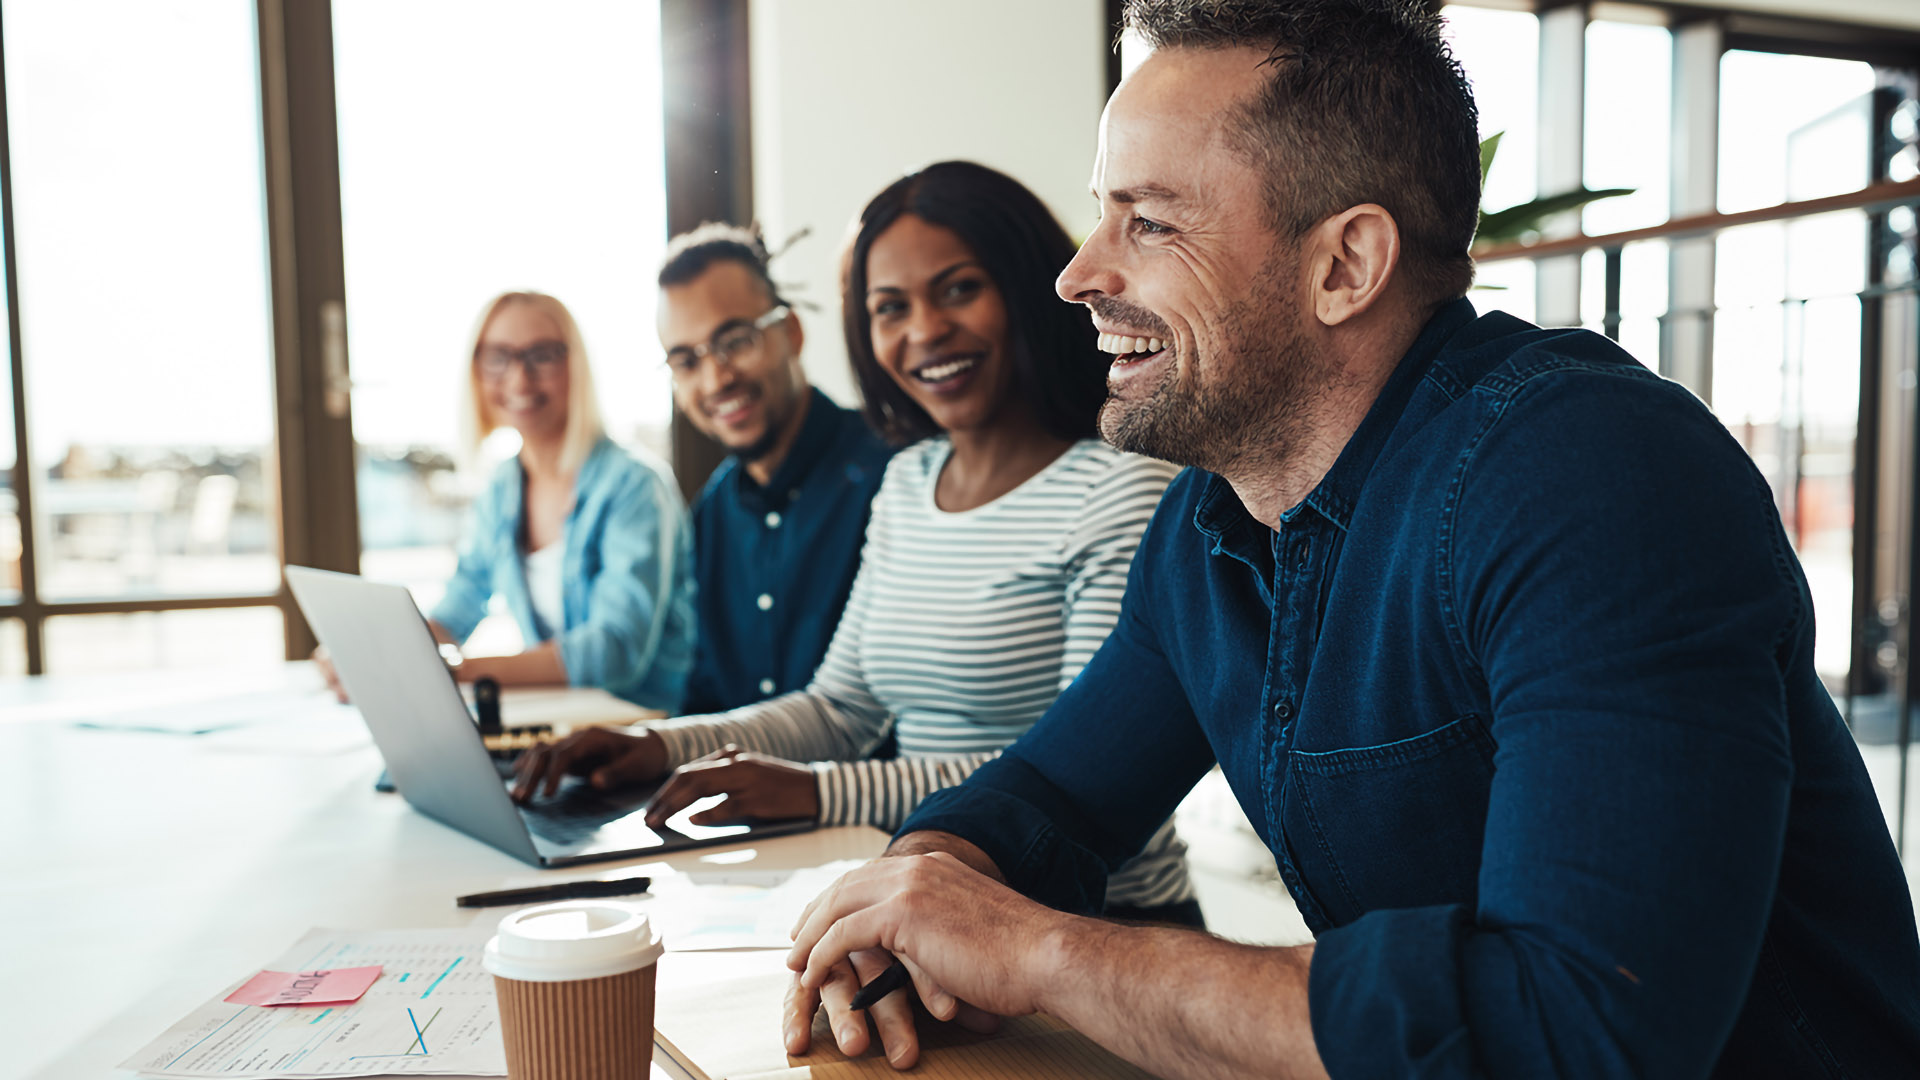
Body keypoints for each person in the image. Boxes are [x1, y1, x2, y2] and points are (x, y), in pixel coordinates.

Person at [780, 3, 1920, 1078]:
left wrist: (1040, 953)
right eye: (1100, 213)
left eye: (1150, 222)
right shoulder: (1212, 520)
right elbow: (1049, 799)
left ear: (1345, 266)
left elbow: (1577, 1030)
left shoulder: (1590, 476)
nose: (1080, 273)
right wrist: (914, 902)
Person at [512, 160, 1200, 963]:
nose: (923, 331)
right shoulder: (908, 481)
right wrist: (662, 746)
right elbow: (841, 708)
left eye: (958, 289)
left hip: (1096, 931)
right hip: (932, 896)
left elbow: (1075, 768)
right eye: (889, 308)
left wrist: (815, 791)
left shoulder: (1120, 486)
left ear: (1024, 288)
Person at [321, 291, 697, 711]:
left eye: (542, 355)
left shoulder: (634, 486)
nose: (519, 379)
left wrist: (441, 672)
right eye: (498, 356)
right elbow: (462, 602)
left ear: (576, 366)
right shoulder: (503, 486)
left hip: (644, 733)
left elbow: (614, 653)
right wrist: (376, 654)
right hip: (563, 723)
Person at [657, 223, 894, 715]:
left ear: (790, 333)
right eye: (686, 361)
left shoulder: (893, 475)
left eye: (736, 341)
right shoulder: (711, 513)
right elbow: (705, 695)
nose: (715, 378)